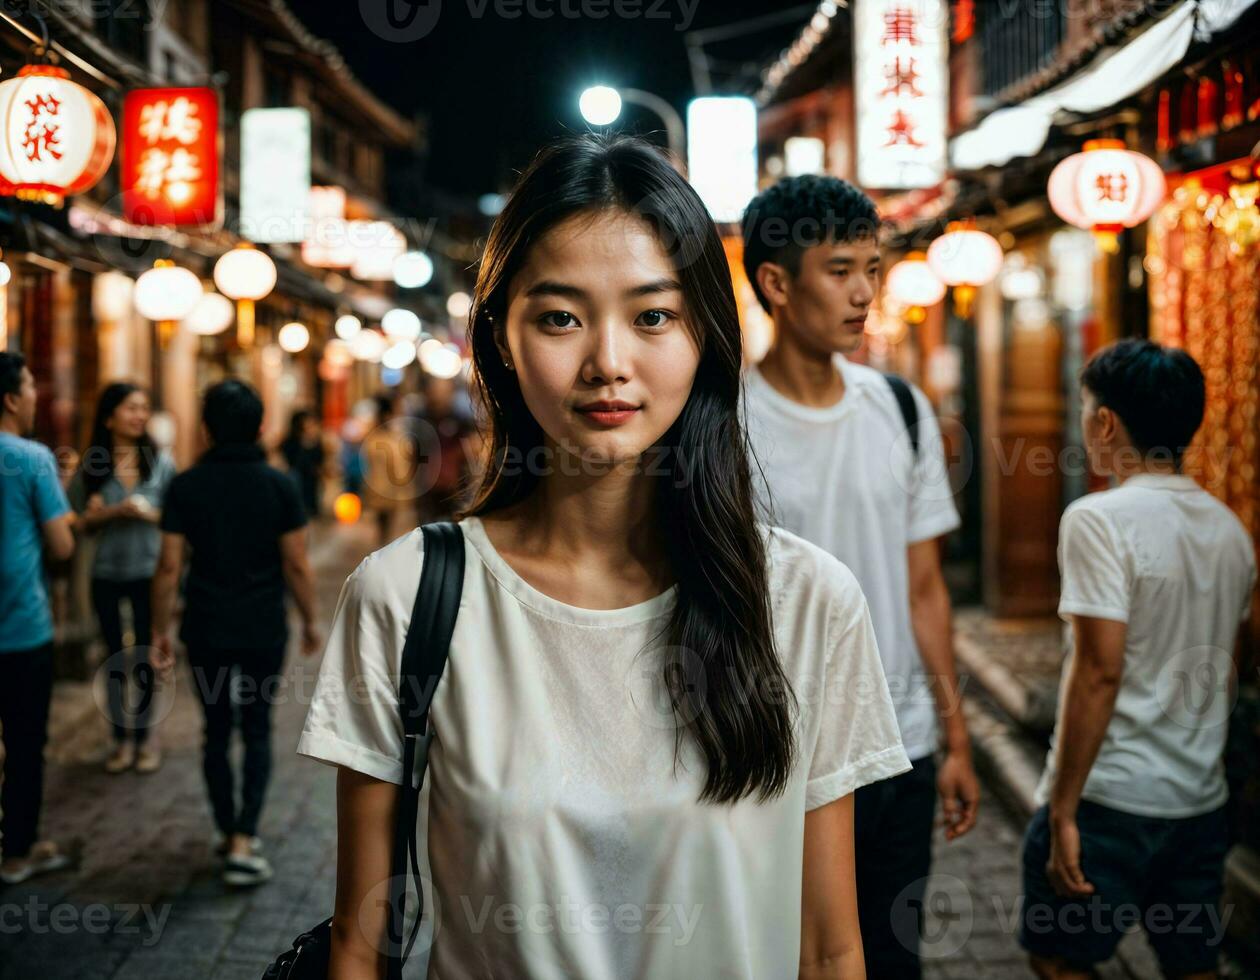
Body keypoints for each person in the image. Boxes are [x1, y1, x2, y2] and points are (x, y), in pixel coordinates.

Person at [297, 134, 911, 980]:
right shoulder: (409, 597)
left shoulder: (806, 601)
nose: (608, 364)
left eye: (653, 316)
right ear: (500, 339)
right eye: (560, 317)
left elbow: (831, 948)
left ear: (704, 338)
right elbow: (359, 946)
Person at [740, 175, 979, 978]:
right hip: (781, 752)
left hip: (899, 747)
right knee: (789, 959)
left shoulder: (901, 410)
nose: (864, 292)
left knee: (892, 960)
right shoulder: (723, 428)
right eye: (840, 270)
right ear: (776, 282)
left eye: (872, 269)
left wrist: (953, 735)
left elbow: (925, 588)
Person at [1019, 340, 1255, 980]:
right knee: (1193, 966)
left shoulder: (1098, 520)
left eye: (1086, 409)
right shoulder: (1231, 532)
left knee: (1058, 957)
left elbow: (1099, 671)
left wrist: (1063, 808)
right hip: (1198, 805)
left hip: (1108, 799)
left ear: (1105, 423)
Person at [151, 379, 320, 887]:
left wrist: (160, 629)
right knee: (258, 727)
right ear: (262, 427)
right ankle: (247, 836)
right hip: (263, 627)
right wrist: (310, 619)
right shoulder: (280, 485)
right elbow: (296, 563)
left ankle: (228, 831)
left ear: (206, 430)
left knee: (216, 730)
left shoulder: (185, 485)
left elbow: (167, 566)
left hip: (205, 626)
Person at [69, 382, 175, 774]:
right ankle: (119, 739)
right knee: (113, 659)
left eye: (144, 408)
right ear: (109, 416)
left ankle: (146, 737)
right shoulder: (92, 465)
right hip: (106, 573)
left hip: (149, 572)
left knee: (147, 657)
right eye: (131, 408)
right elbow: (75, 522)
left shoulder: (160, 463)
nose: (139, 415)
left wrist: (147, 514)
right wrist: (107, 514)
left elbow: (177, 519)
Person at [0, 352, 75, 885]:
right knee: (26, 742)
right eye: (28, 385)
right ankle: (18, 851)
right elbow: (62, 543)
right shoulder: (31, 459)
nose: (34, 395)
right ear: (10, 398)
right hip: (22, 627)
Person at [359, 392, 415, 546]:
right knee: (385, 521)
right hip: (384, 483)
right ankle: (384, 545)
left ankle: (385, 545)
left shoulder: (391, 434)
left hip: (388, 484)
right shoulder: (383, 435)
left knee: (388, 521)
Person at [280, 408, 325, 519]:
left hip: (311, 476)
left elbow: (319, 457)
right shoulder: (291, 441)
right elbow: (290, 457)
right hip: (298, 475)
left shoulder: (316, 441)